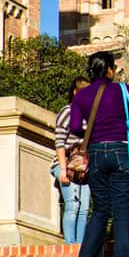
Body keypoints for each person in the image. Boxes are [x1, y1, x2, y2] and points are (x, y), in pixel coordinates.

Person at [70, 51, 129, 257]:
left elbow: (73, 127)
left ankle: (87, 255)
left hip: (96, 153)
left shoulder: (81, 96)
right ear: (109, 69)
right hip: (120, 150)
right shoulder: (122, 90)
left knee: (100, 207)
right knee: (122, 207)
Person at [52, 77, 91, 245]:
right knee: (72, 206)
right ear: (75, 93)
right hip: (66, 164)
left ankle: (80, 245)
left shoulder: (90, 116)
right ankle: (70, 245)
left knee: (84, 209)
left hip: (85, 167)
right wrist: (62, 169)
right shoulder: (67, 112)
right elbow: (59, 142)